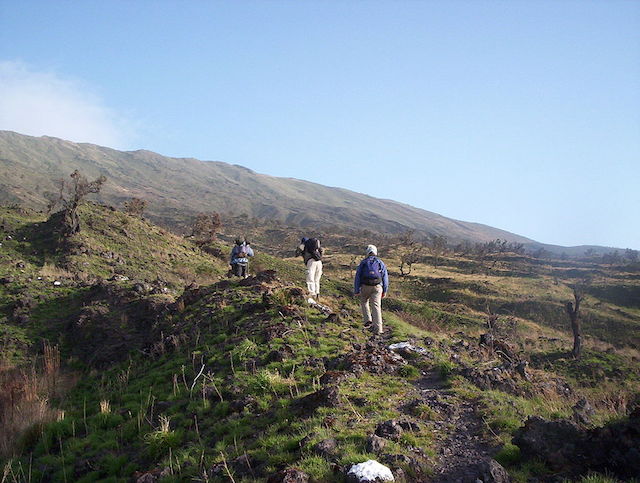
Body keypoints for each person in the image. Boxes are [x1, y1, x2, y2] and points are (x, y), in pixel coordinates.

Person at [354, 244, 389, 335]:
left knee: (364, 302)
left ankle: (367, 320)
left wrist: (356, 290)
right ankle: (378, 329)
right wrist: (385, 290)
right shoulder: (380, 262)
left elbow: (357, 276)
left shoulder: (363, 262)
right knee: (376, 306)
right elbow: (385, 277)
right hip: (377, 287)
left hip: (365, 286)